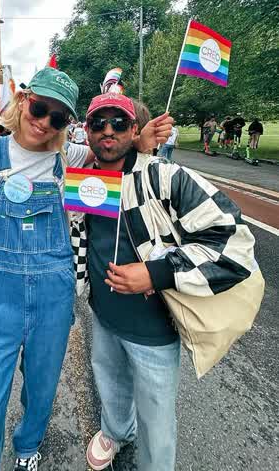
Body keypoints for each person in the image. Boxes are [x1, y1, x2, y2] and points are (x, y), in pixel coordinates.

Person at [0, 69, 174, 471]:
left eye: (58, 117)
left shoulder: (70, 157)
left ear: (67, 124)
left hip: (52, 300)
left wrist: (141, 142)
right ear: (23, 99)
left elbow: (113, 153)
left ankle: (28, 445)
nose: (44, 122)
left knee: (42, 389)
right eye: (40, 108)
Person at [82, 93, 259, 471]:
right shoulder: (82, 178)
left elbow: (235, 241)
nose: (108, 131)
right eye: (98, 123)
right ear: (87, 130)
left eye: (118, 123)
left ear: (134, 129)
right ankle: (115, 431)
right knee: (110, 386)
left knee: (157, 424)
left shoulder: (165, 176)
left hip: (154, 329)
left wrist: (156, 273)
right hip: (103, 314)